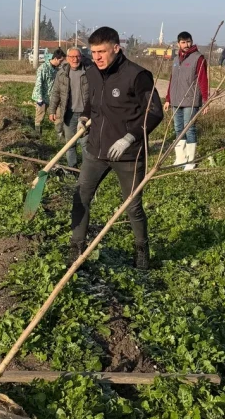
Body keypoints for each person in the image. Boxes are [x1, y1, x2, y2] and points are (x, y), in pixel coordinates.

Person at [70, 27, 164, 270]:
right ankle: (76, 250)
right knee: (80, 198)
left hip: (128, 155)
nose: (97, 57)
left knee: (132, 206)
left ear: (116, 48)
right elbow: (93, 103)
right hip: (96, 151)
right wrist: (84, 118)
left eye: (102, 51)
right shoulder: (92, 73)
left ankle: (142, 253)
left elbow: (154, 112)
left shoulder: (137, 75)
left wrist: (130, 138)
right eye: (93, 52)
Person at [163, 31, 209, 171]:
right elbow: (172, 80)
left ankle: (190, 160)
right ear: (178, 44)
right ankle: (180, 158)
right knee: (178, 129)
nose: (186, 44)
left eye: (188, 41)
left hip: (191, 100)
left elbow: (203, 80)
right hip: (176, 100)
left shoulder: (198, 58)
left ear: (191, 41)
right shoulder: (176, 60)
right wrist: (168, 99)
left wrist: (206, 100)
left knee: (189, 130)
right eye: (183, 42)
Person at [49, 47, 90, 167]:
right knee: (70, 144)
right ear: (67, 58)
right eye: (72, 57)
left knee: (85, 144)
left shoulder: (89, 72)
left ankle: (87, 170)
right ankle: (72, 169)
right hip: (69, 114)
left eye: (77, 56)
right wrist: (52, 110)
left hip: (85, 115)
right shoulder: (61, 74)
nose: (75, 59)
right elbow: (55, 92)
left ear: (81, 57)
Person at [31, 48, 66, 137]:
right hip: (42, 97)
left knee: (58, 115)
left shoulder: (57, 70)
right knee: (40, 117)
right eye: (61, 61)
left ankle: (60, 136)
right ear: (56, 59)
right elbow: (39, 83)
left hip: (53, 97)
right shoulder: (43, 68)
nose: (61, 63)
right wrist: (39, 98)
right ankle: (38, 135)